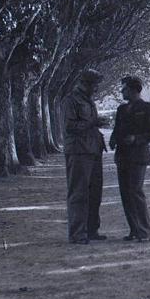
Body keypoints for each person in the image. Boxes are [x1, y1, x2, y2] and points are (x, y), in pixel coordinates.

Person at [109, 76, 150, 242]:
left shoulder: (148, 108)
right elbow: (117, 129)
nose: (122, 91)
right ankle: (134, 230)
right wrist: (112, 140)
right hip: (122, 156)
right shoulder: (121, 110)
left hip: (138, 156)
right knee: (125, 194)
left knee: (136, 192)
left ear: (133, 89)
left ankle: (145, 231)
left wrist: (136, 139)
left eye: (124, 88)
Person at [62, 69, 109, 245]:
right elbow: (69, 126)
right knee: (79, 193)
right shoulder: (70, 101)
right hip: (78, 151)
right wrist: (93, 122)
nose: (96, 89)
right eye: (95, 85)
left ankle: (91, 230)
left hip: (93, 150)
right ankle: (77, 233)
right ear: (86, 84)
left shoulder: (88, 101)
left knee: (95, 193)